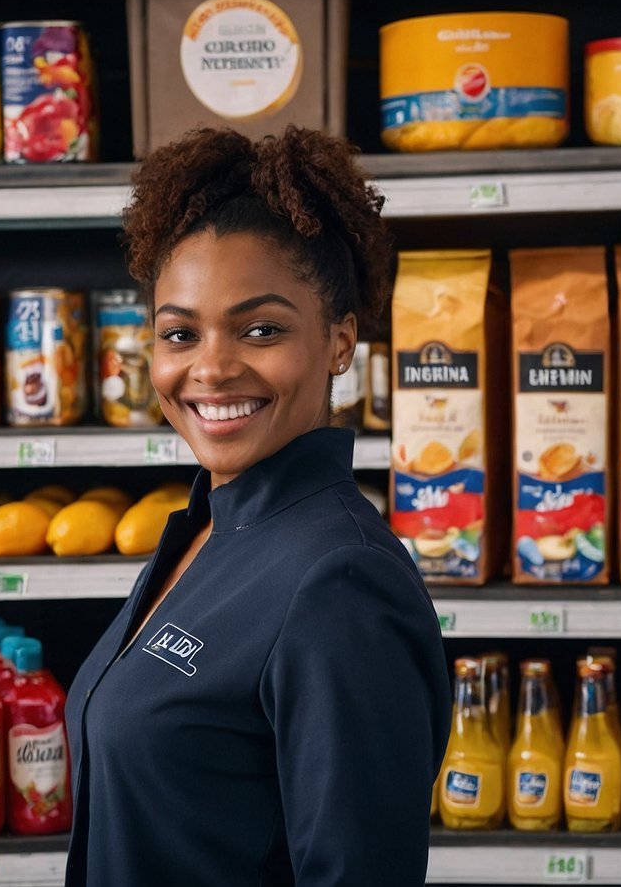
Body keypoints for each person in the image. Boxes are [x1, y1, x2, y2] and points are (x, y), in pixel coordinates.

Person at [65, 126, 450, 886]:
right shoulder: (208, 527)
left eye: (261, 329)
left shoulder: (341, 583)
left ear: (340, 343)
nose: (210, 368)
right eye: (181, 333)